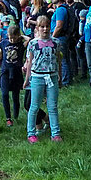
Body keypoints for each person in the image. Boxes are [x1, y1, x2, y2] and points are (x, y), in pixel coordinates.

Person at [24, 15, 62, 143]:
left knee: (52, 106)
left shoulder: (56, 42)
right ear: (37, 28)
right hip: (37, 77)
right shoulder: (33, 43)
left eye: (47, 26)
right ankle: (31, 133)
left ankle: (55, 133)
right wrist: (27, 79)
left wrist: (59, 75)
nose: (45, 29)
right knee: (34, 106)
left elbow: (58, 59)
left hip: (52, 76)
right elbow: (29, 61)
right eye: (42, 27)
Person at [0, 25, 30, 127]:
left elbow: (29, 40)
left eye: (14, 37)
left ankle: (16, 116)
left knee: (15, 95)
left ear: (18, 35)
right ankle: (8, 117)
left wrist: (22, 37)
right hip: (5, 71)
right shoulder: (4, 43)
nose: (11, 39)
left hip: (16, 72)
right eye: (10, 37)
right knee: (4, 94)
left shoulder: (21, 44)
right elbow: (0, 56)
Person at [50, 0, 72, 86]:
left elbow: (59, 26)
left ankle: (65, 81)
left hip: (60, 37)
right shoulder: (60, 9)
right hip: (61, 37)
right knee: (64, 59)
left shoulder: (60, 10)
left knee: (63, 60)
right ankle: (66, 79)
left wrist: (52, 38)